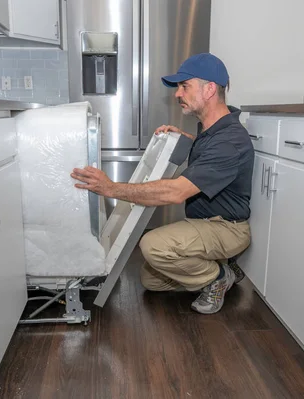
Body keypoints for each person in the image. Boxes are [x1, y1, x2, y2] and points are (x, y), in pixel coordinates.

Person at [71, 53, 254, 314]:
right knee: (151, 280)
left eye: (184, 86)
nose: (177, 94)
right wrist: (186, 139)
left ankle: (217, 278)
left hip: (226, 228)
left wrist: (110, 188)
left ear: (210, 88)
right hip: (204, 223)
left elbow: (177, 191)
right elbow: (210, 156)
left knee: (153, 246)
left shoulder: (229, 141)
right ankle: (218, 263)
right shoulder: (214, 128)